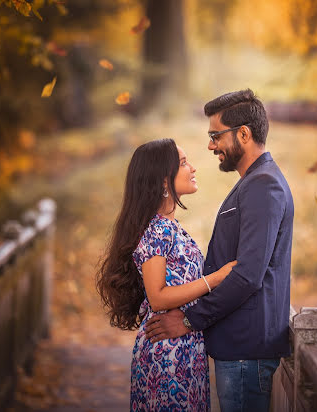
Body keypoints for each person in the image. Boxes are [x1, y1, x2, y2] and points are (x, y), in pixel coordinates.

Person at [145, 89, 295, 412]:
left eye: (215, 135)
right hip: (239, 352)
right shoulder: (252, 183)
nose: (211, 145)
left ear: (244, 133)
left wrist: (188, 320)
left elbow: (247, 275)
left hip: (244, 351)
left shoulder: (263, 186)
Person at [96, 138, 237, 411]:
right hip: (168, 357)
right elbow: (158, 297)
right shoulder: (158, 229)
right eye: (183, 163)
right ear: (163, 181)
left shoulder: (170, 227)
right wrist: (217, 278)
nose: (193, 168)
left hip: (184, 351)